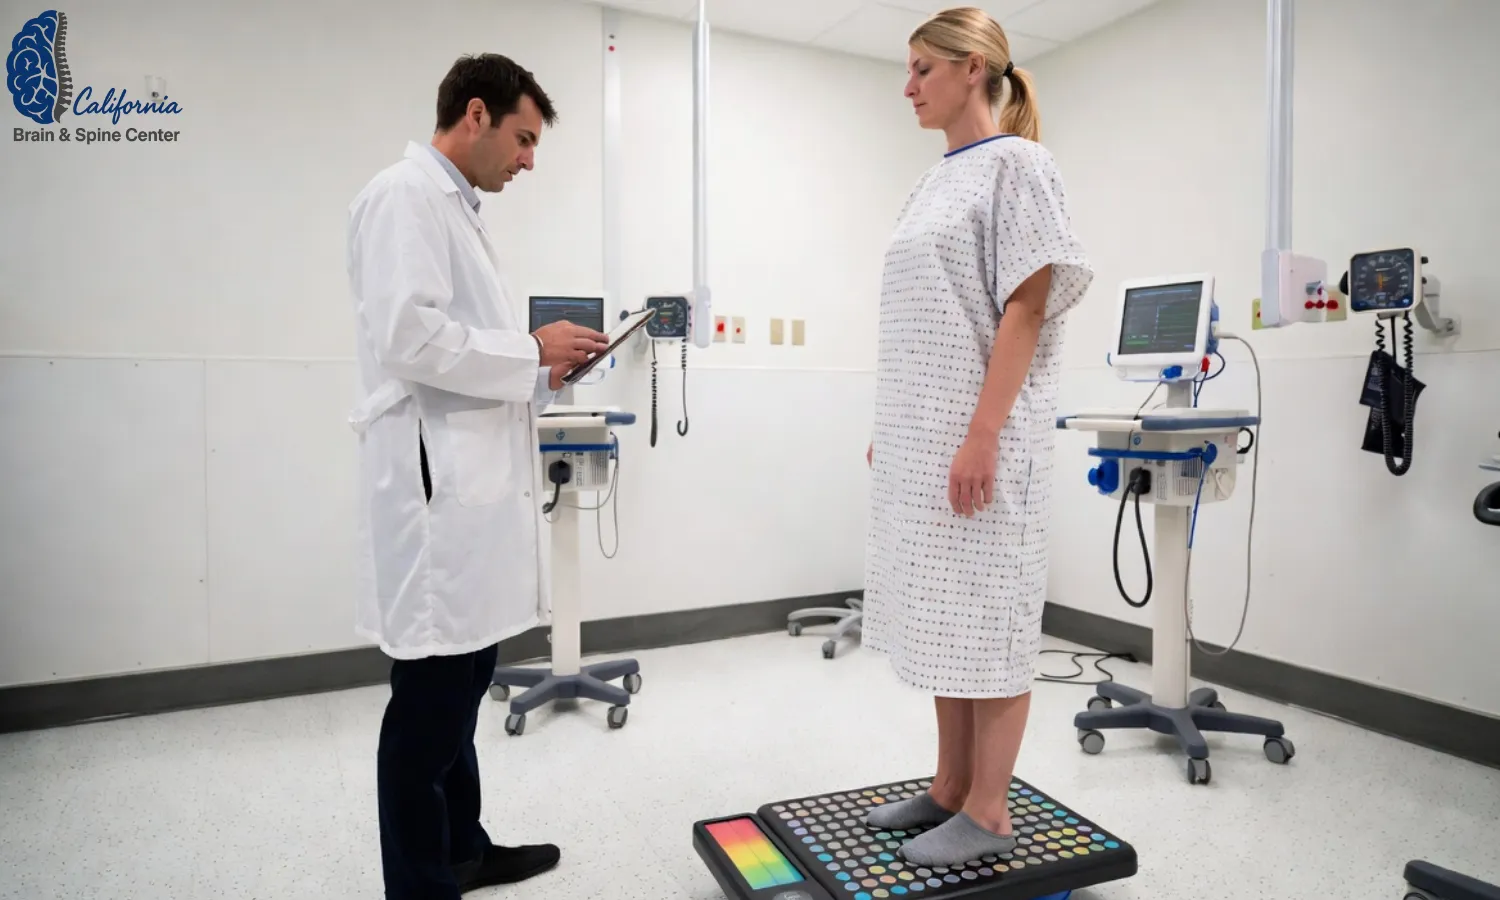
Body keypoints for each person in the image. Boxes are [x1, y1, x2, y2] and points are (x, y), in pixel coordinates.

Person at [344, 53, 611, 899]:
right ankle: (421, 882)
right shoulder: (405, 196)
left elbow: (465, 351)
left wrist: (542, 370)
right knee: (427, 709)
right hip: (436, 496)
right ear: (474, 115)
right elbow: (409, 340)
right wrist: (529, 351)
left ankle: (465, 846)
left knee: (463, 690)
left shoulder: (453, 208)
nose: (528, 160)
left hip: (471, 492)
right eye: (524, 139)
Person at [860, 7, 1094, 868]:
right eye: (908, 68)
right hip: (929, 439)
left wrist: (981, 434)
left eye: (923, 68)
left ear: (972, 70)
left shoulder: (1020, 167)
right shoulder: (932, 182)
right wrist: (903, 429)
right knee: (945, 622)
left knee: (989, 623)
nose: (909, 85)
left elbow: (1025, 308)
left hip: (988, 439)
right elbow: (926, 318)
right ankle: (950, 787)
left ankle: (989, 811)